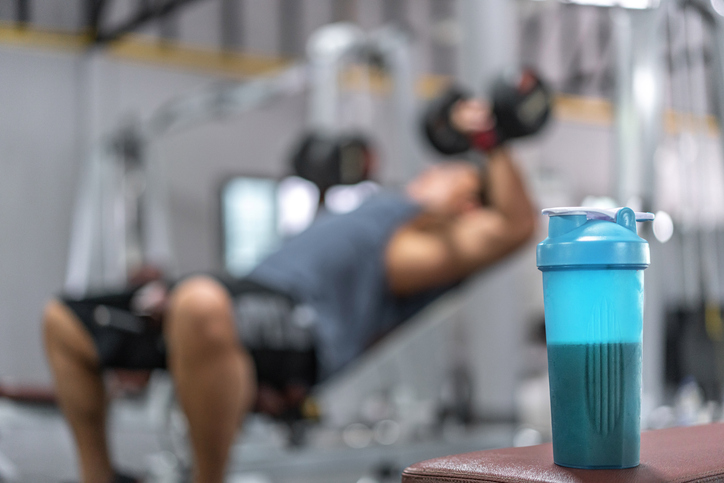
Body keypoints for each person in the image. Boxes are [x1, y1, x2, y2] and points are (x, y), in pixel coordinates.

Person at [42, 96, 538, 483]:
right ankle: (100, 476)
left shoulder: (431, 242)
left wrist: (489, 140)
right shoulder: (383, 211)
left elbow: (516, 227)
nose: (437, 171)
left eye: (453, 172)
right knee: (66, 322)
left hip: (304, 323)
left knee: (198, 302)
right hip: (249, 291)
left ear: (470, 204)